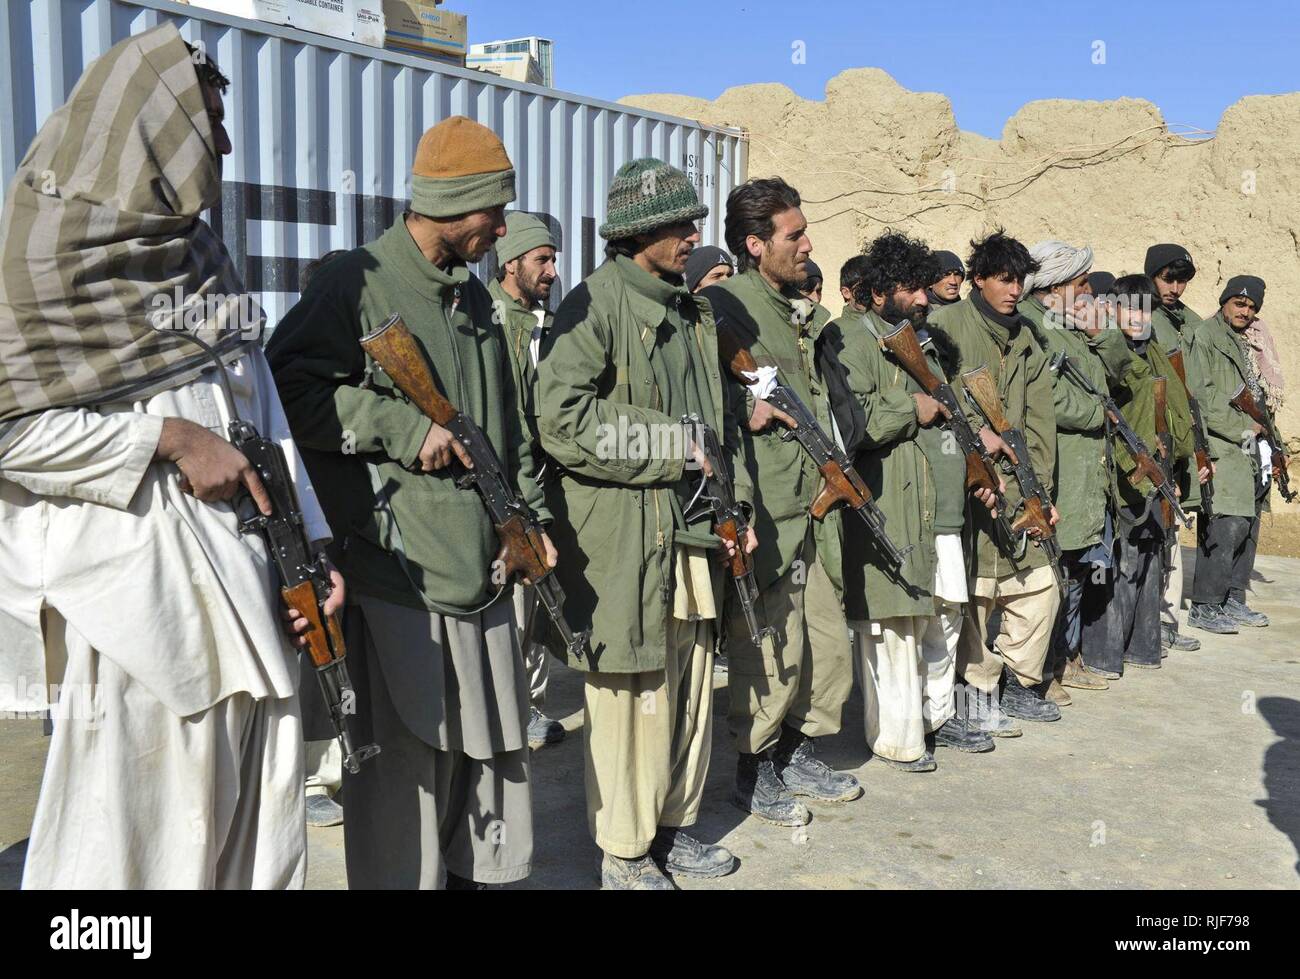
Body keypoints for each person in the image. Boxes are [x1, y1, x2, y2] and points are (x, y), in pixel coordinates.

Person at [0, 23, 334, 888]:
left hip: (254, 582)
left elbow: (261, 405)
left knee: (249, 836)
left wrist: (317, 545)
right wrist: (168, 439)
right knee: (130, 848)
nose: (223, 143)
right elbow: (11, 431)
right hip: (140, 614)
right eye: (206, 122)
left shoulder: (200, 257)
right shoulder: (42, 265)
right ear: (153, 135)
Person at [268, 115, 547, 889]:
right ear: (455, 203)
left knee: (479, 767)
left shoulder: (477, 299)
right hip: (402, 580)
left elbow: (509, 428)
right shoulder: (354, 281)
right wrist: (398, 424)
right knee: (403, 790)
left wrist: (529, 521)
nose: (502, 224)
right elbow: (291, 386)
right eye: (495, 209)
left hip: (484, 574)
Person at [535, 158, 748, 889]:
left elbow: (717, 429)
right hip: (625, 536)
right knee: (631, 697)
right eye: (678, 225)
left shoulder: (692, 310)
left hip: (692, 534)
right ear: (635, 233)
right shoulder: (593, 305)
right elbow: (559, 420)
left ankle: (673, 827)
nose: (693, 235)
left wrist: (734, 506)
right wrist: (665, 443)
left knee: (689, 690)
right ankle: (624, 851)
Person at [703, 177, 862, 828]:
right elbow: (704, 394)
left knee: (826, 646)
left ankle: (798, 750)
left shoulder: (802, 310)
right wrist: (748, 405)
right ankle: (754, 768)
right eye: (794, 235)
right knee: (768, 648)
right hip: (764, 506)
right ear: (755, 243)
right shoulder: (723, 306)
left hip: (814, 503)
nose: (808, 243)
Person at [832, 232, 996, 773]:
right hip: (891, 507)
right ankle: (898, 740)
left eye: (925, 288)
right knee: (894, 629)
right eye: (911, 289)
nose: (925, 298)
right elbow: (851, 422)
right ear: (878, 293)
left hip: (941, 510)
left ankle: (936, 719)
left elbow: (948, 412)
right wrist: (911, 406)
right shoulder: (850, 339)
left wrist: (976, 467)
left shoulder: (921, 341)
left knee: (943, 616)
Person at [927, 231, 1061, 736]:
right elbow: (934, 402)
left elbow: (1042, 423)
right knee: (976, 595)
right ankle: (977, 699)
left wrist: (1041, 492)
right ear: (977, 278)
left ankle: (1013, 683)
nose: (1014, 289)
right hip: (968, 483)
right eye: (1004, 279)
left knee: (1038, 584)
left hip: (1019, 481)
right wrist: (972, 459)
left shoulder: (1027, 335)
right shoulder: (946, 324)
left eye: (1021, 280)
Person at [1017, 240, 1129, 703]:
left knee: (1079, 569)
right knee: (1054, 572)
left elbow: (1120, 374)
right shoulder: (1035, 327)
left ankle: (1067, 657)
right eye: (1081, 283)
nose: (1089, 291)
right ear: (1057, 286)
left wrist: (1103, 333)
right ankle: (1045, 669)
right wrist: (1098, 415)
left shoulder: (1070, 327)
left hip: (1086, 472)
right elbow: (1048, 400)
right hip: (1059, 466)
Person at [1080, 275, 1190, 675]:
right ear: (1111, 309)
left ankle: (1141, 647)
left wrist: (1176, 459)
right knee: (1122, 564)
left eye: (1146, 309)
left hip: (1156, 468)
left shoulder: (1154, 351)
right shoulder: (1111, 353)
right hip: (1124, 471)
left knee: (1149, 560)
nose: (1140, 317)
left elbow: (1175, 408)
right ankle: (1103, 656)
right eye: (1131, 308)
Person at [488, 212, 568, 748]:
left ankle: (531, 707)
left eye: (553, 258)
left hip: (542, 484)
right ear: (510, 261)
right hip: (506, 489)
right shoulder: (488, 320)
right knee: (509, 613)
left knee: (538, 607)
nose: (553, 270)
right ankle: (503, 714)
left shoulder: (545, 322)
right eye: (542, 259)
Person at [1187, 275, 1273, 634]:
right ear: (1225, 302)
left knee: (1248, 523)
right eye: (1240, 303)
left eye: (1252, 307)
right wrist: (1243, 428)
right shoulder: (1204, 336)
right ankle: (1206, 605)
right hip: (1225, 444)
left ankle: (1233, 599)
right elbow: (1201, 397)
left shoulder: (1243, 341)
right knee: (1226, 524)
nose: (1246, 311)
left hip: (1251, 449)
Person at [1145, 243, 1208, 651]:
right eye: (1168, 278)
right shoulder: (1140, 315)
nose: (1176, 287)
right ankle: (1149, 621)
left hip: (1185, 437)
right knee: (1151, 532)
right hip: (1155, 436)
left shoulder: (1191, 321)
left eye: (1182, 280)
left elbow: (1198, 387)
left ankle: (1168, 620)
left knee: (1175, 528)